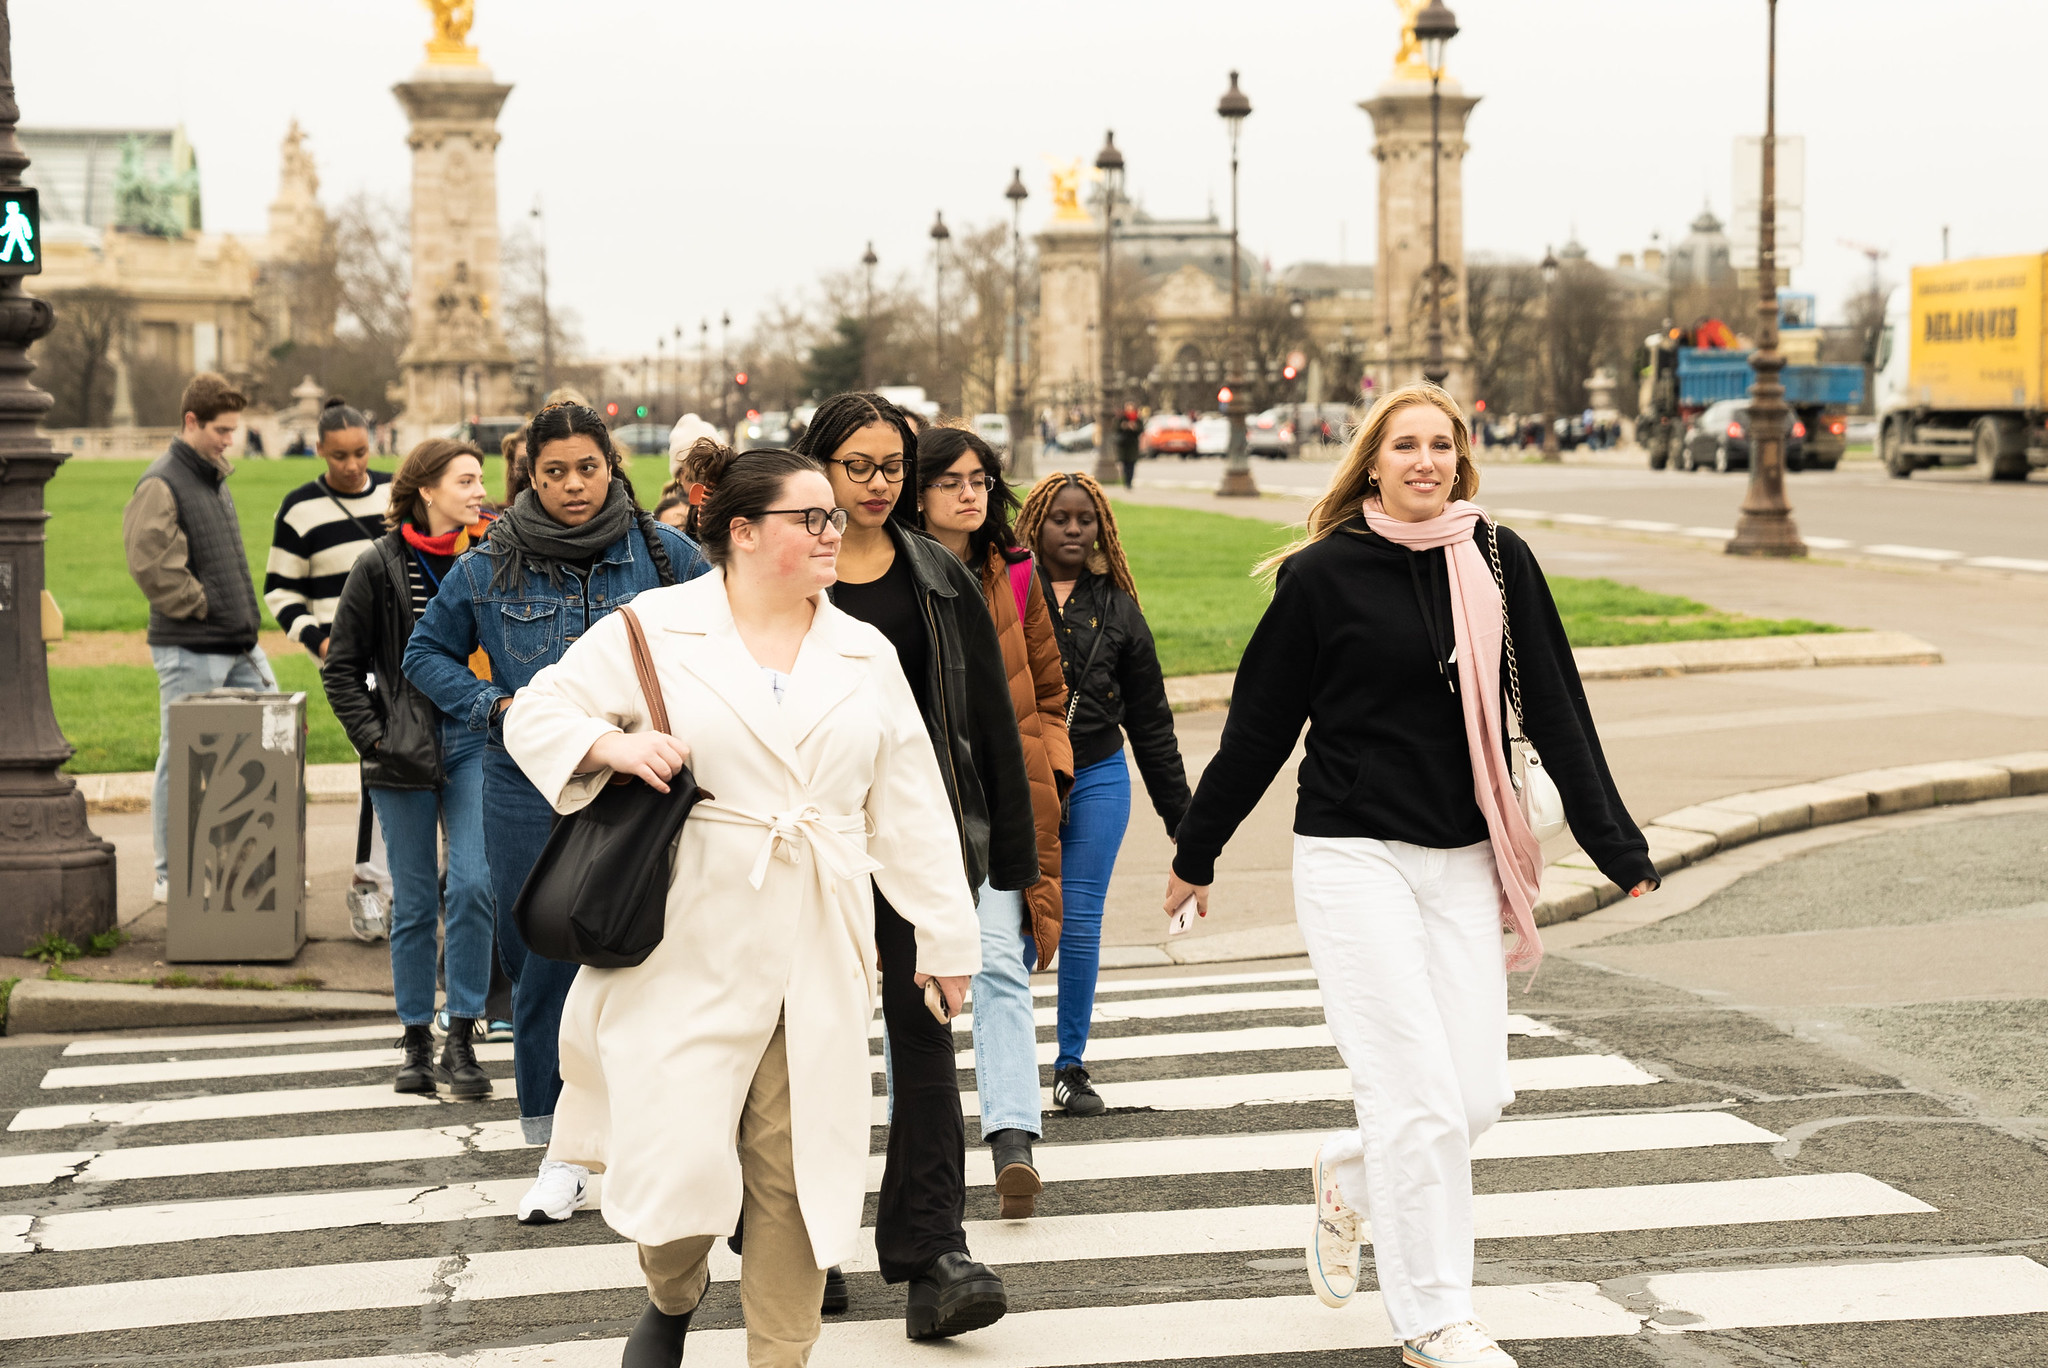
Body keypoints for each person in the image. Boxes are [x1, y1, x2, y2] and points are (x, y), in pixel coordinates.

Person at [1164, 384, 1659, 1368]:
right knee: (1418, 1102)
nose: (1424, 461)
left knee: (1472, 1099)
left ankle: (1349, 1174)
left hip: (1463, 857)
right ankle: (1434, 1322)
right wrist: (1195, 849)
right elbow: (1259, 727)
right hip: (1353, 856)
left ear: (1460, 459)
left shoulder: (1498, 560)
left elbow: (1556, 706)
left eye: (1441, 445)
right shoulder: (1319, 577)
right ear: (1372, 463)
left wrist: (1616, 845)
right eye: (1405, 447)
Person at [505, 446, 980, 1368]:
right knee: (676, 1157)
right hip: (690, 937)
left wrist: (944, 939)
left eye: (833, 517)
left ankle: (780, 1355)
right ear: (743, 532)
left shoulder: (862, 650)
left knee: (794, 1176)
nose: (833, 530)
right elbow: (537, 710)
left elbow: (911, 803)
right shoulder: (656, 626)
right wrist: (609, 746)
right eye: (811, 518)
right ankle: (673, 1291)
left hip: (817, 944)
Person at [403, 402, 709, 1225]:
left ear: (613, 466)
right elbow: (423, 653)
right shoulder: (489, 565)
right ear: (529, 479)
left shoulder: (662, 552)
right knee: (543, 960)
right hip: (526, 785)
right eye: (554, 472)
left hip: (643, 783)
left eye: (588, 468)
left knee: (656, 956)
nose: (574, 486)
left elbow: (724, 639)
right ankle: (557, 1152)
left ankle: (651, 1141)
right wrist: (492, 708)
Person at [793, 393, 1036, 1337]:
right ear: (818, 465)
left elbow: (985, 729)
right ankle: (801, 1246)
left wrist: (1009, 854)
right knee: (798, 1050)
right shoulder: (781, 570)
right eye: (857, 465)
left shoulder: (937, 573)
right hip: (805, 847)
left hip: (916, 842)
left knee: (926, 1038)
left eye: (892, 465)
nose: (878, 483)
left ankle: (933, 1255)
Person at [914, 426, 1071, 1218]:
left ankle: (1014, 1138)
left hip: (999, 800)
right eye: (950, 481)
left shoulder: (1014, 573)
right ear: (920, 491)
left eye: (980, 479)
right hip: (914, 805)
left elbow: (1047, 688)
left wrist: (1049, 763)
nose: (969, 494)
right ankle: (925, 1144)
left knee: (1003, 961)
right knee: (915, 982)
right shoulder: (890, 574)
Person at [323, 439, 497, 1100]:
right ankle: (417, 1036)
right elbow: (340, 668)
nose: (480, 491)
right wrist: (376, 738)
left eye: (481, 479)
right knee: (417, 899)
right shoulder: (379, 564)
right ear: (427, 489)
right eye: (467, 480)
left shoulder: (488, 556)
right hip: (403, 750)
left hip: (474, 740)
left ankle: (464, 1032)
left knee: (476, 885)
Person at [1014, 471, 1189, 1118]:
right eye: (1059, 517)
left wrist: (1186, 826)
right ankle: (1002, 1048)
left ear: (1101, 528)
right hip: (1024, 778)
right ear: (1035, 522)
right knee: (1016, 922)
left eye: (1084, 518)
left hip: (1098, 777)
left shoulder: (1118, 607)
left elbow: (1152, 725)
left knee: (1081, 919)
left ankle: (1070, 1067)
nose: (1072, 528)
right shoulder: (1005, 592)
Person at [123, 373, 275, 905]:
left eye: (233, 429)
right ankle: (170, 873)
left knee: (270, 740)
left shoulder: (212, 477)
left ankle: (252, 867)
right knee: (182, 760)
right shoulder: (162, 481)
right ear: (192, 422)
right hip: (190, 649)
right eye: (222, 429)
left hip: (235, 645)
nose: (229, 439)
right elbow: (151, 566)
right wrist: (205, 607)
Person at [264, 397, 396, 943]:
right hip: (347, 662)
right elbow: (280, 590)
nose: (352, 465)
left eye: (361, 452)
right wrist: (321, 642)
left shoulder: (395, 493)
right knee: (380, 767)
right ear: (319, 451)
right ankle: (369, 893)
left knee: (411, 769)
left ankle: (409, 889)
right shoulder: (300, 509)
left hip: (403, 656)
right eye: (340, 455)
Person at [1114, 403, 1144, 489]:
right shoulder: (1121, 418)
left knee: (1131, 464)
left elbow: (1141, 429)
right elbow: (1116, 429)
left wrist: (1135, 427)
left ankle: (1129, 482)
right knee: (1124, 465)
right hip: (1123, 445)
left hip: (1133, 446)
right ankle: (1126, 481)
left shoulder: (1137, 418)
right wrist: (1124, 426)